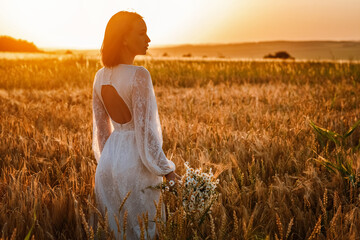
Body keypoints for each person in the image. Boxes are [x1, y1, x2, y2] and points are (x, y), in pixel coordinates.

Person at [92, 11, 178, 239]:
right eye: (142, 33)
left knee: (116, 231)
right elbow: (144, 132)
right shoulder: (139, 75)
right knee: (145, 231)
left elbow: (102, 131)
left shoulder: (99, 77)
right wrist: (168, 171)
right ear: (123, 38)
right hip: (136, 165)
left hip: (107, 165)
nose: (148, 39)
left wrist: (109, 163)